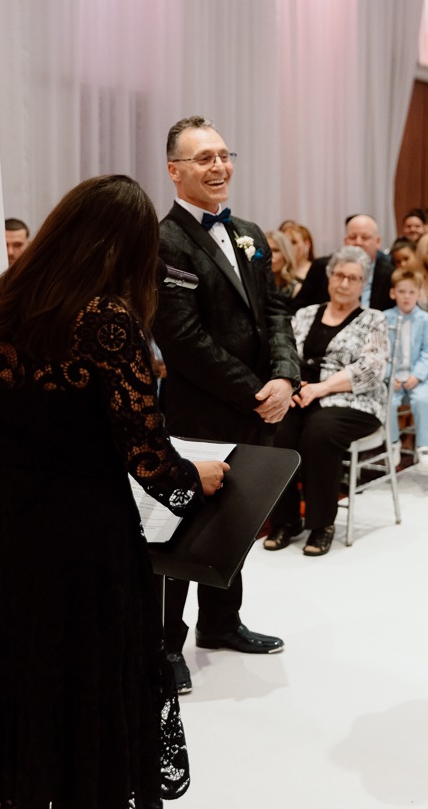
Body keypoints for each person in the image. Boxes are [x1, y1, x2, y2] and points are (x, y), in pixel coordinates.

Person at [0, 175, 226, 808]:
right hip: (79, 533)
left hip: (1, 514)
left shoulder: (2, 301)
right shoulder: (106, 319)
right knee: (84, 671)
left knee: (19, 661)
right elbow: (147, 458)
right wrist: (195, 478)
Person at [153, 116, 300, 692]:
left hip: (254, 406)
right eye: (203, 159)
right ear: (175, 171)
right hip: (198, 411)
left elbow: (276, 311)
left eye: (223, 154)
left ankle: (222, 623)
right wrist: (254, 391)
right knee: (183, 528)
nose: (219, 167)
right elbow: (183, 340)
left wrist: (285, 376)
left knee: (235, 520)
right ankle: (166, 645)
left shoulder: (252, 233)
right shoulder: (164, 241)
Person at [263, 246, 388, 557]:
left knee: (320, 433)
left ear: (363, 284)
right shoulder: (304, 314)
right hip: (301, 395)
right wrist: (291, 387)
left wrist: (321, 389)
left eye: (354, 278)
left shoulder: (373, 319)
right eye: (340, 275)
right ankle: (286, 520)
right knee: (278, 430)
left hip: (355, 401)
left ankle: (321, 524)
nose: (345, 283)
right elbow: (284, 355)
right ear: (329, 277)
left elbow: (370, 369)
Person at [385, 268, 428, 467]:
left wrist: (417, 375)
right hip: (393, 378)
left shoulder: (425, 319)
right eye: (401, 292)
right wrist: (391, 376)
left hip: (418, 377)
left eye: (411, 292)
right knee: (388, 403)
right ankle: (392, 443)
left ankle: (424, 445)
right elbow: (381, 352)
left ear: (418, 294)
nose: (406, 297)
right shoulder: (384, 318)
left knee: (422, 399)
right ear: (393, 293)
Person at [295, 214, 395, 312]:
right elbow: (298, 307)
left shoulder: (390, 275)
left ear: (378, 242)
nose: (358, 242)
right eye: (353, 237)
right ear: (345, 241)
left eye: (365, 238)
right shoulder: (321, 267)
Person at [279, 220, 314, 292]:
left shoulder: (317, 271)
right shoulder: (278, 271)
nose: (289, 247)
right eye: (285, 243)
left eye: (293, 242)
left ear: (307, 244)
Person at [266, 229, 299, 298]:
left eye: (275, 250)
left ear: (286, 254)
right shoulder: (255, 285)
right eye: (267, 250)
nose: (270, 256)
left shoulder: (296, 289)